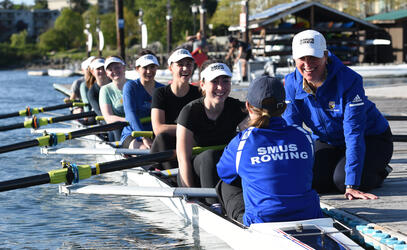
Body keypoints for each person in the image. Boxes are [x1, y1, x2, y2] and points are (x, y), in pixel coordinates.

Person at [283, 30, 393, 200]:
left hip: (371, 137)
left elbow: (354, 133)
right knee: (313, 182)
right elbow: (291, 131)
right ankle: (343, 167)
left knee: (342, 183)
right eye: (301, 58)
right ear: (294, 59)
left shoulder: (349, 80)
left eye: (313, 57)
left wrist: (352, 185)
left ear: (325, 56)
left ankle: (379, 170)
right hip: (329, 140)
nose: (307, 64)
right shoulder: (291, 83)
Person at [216, 75, 323, 225]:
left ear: (247, 106)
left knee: (224, 184)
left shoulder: (242, 142)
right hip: (310, 215)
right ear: (284, 107)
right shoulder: (304, 136)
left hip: (264, 221)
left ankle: (238, 219)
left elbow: (223, 173)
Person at [176, 60, 248, 205]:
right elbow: (183, 159)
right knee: (210, 156)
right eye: (214, 81)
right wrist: (191, 195)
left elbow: (253, 142)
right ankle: (213, 205)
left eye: (225, 80)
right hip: (194, 173)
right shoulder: (189, 111)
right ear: (202, 84)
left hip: (224, 168)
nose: (221, 87)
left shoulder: (237, 108)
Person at [150, 48, 202, 169]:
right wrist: (189, 130)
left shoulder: (199, 93)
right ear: (170, 68)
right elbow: (158, 128)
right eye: (180, 65)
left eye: (189, 65)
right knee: (163, 137)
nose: (185, 68)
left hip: (189, 144)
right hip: (165, 146)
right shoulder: (160, 93)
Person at [121, 50, 164, 149]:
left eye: (152, 67)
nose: (149, 71)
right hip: (133, 134)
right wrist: (144, 137)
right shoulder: (130, 87)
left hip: (156, 134)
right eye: (145, 67)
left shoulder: (162, 89)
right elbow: (130, 114)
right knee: (146, 152)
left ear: (157, 67)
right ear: (137, 69)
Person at [99, 56, 128, 141]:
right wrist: (128, 120)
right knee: (117, 129)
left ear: (124, 68)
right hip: (117, 128)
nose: (114, 71)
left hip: (138, 125)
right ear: (107, 73)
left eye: (117, 67)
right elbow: (108, 117)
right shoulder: (105, 90)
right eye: (110, 69)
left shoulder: (135, 85)